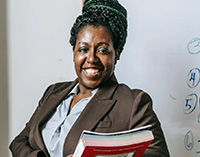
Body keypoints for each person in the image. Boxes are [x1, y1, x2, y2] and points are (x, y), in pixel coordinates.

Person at [10, 0, 170, 156]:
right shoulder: (53, 92)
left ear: (117, 54)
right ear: (74, 53)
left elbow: (157, 154)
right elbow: (19, 142)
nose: (91, 58)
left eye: (102, 50)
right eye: (83, 49)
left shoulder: (133, 103)